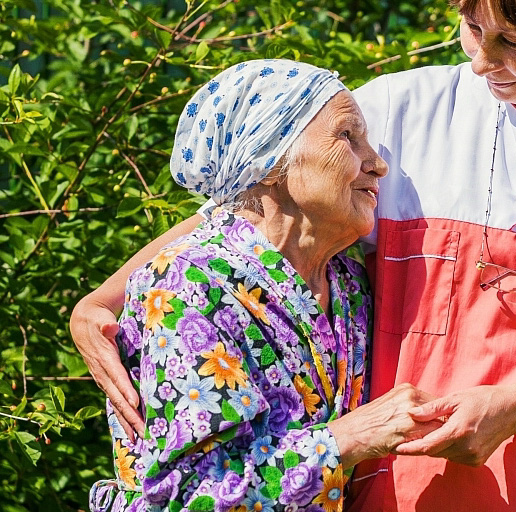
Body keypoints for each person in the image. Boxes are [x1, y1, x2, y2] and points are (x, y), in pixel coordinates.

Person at [73, 0, 516, 510]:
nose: (484, 59)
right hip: (400, 488)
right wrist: (104, 299)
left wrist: (512, 407)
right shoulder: (401, 107)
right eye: (471, 26)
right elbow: (255, 195)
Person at [85, 59, 442, 512]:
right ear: (270, 160)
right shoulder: (188, 285)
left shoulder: (349, 285)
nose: (378, 165)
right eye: (348, 137)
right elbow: (191, 498)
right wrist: (351, 437)